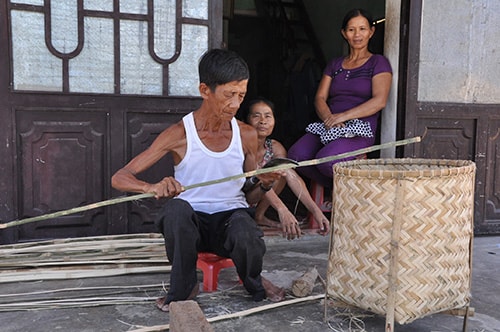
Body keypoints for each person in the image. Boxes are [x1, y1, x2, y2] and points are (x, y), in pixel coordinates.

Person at [111, 49, 286, 312]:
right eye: (228, 95)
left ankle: (253, 280)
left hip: (229, 224)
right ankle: (184, 286)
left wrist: (264, 183)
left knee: (245, 227)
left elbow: (248, 197)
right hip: (189, 228)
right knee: (176, 211)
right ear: (205, 90)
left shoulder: (246, 134)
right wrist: (151, 186)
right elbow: (119, 178)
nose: (236, 104)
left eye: (241, 95)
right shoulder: (180, 134)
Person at [288, 8, 392, 190]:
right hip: (329, 124)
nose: (357, 35)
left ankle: (346, 194)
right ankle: (340, 191)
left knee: (327, 161)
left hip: (359, 130)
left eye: (362, 29)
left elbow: (379, 101)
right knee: (297, 156)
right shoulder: (335, 64)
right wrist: (330, 119)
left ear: (371, 32)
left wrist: (342, 117)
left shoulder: (378, 62)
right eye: (351, 30)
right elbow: (320, 97)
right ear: (344, 33)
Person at [243, 98, 330, 236]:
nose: (263, 121)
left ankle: (259, 216)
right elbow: (260, 179)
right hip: (241, 198)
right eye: (256, 115)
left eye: (268, 116)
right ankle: (256, 216)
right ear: (247, 120)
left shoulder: (275, 147)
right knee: (267, 176)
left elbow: (290, 176)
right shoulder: (242, 146)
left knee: (283, 170)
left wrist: (315, 211)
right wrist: (283, 211)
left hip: (261, 195)